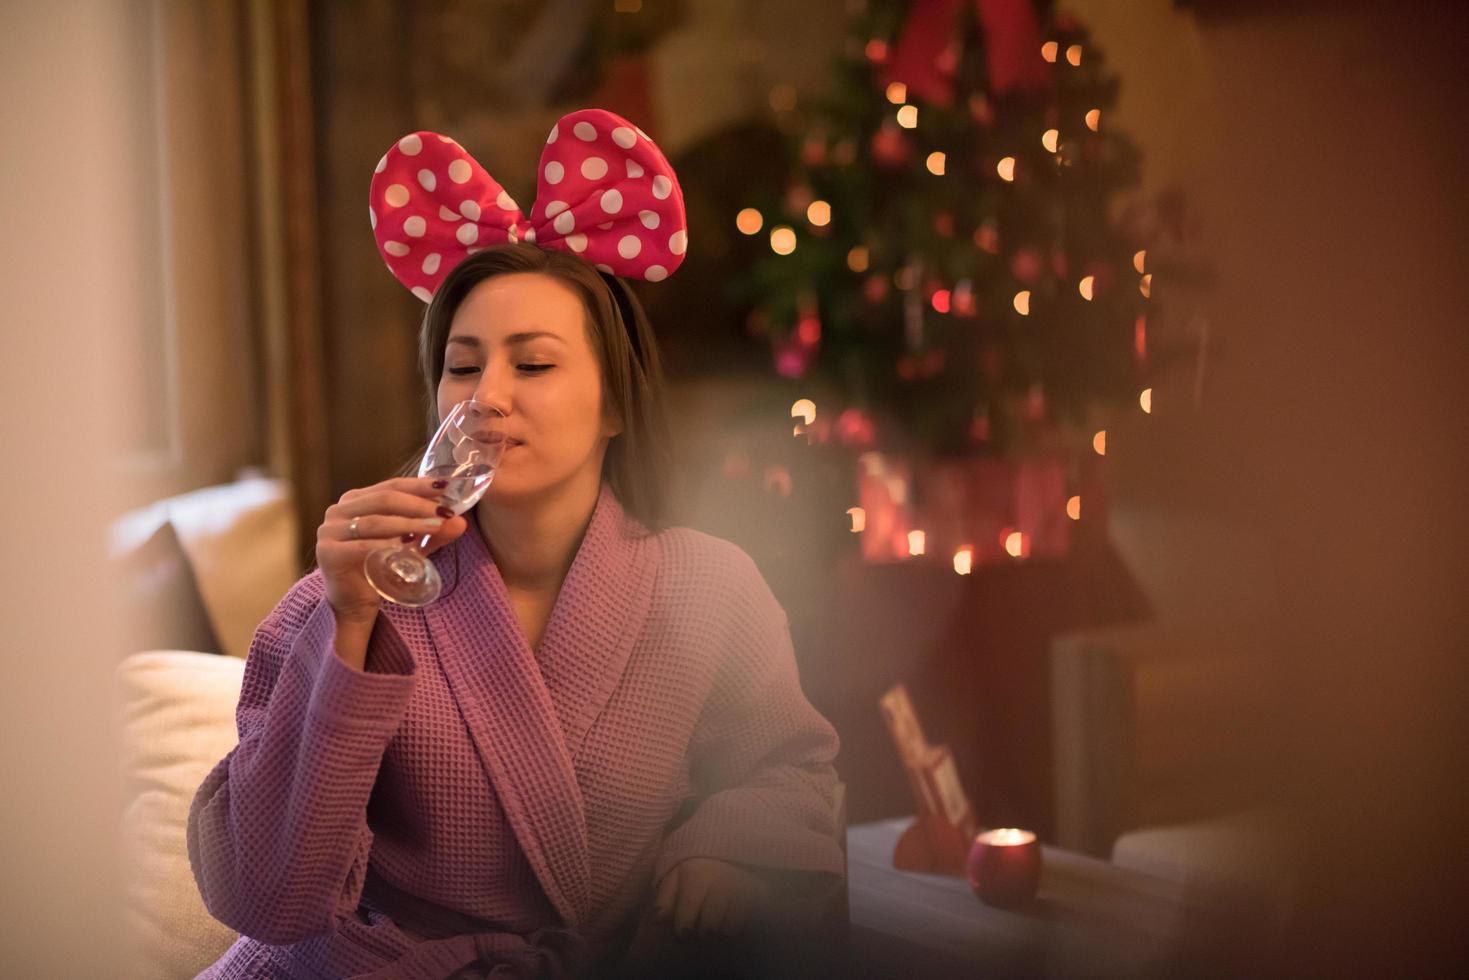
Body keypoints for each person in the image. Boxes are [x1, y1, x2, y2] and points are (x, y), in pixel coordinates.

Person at [187, 109, 847, 979]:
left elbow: (786, 768)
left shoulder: (708, 587)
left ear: (614, 403)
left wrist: (722, 851)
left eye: (532, 365)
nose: (487, 397)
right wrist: (346, 627)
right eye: (462, 366)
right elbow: (268, 896)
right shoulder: (343, 598)